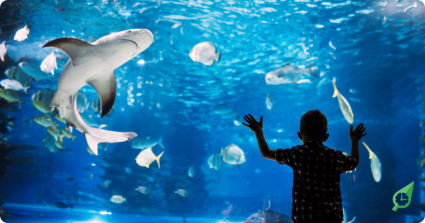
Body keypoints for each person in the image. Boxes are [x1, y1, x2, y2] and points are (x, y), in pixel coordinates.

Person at [242, 109, 367, 223]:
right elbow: (354, 161)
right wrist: (354, 140)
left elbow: (266, 152)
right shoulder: (335, 156)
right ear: (326, 137)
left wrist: (258, 130)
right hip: (331, 218)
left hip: (305, 218)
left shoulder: (296, 154)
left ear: (300, 135)